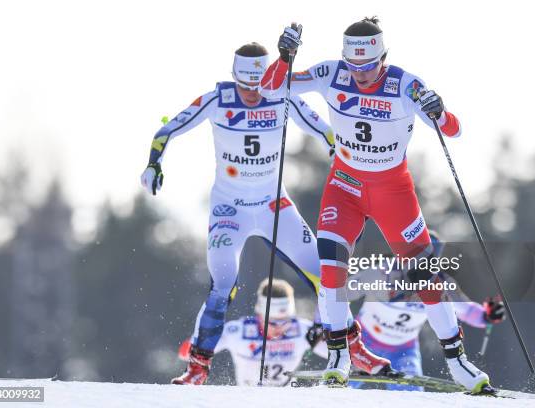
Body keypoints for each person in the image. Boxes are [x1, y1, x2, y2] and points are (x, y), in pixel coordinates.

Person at [260, 18, 494, 393]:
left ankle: (458, 362)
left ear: (383, 58)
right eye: (353, 67)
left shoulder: (405, 84)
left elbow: (452, 130)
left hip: (392, 192)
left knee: (423, 275)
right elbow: (272, 89)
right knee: (332, 269)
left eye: (368, 67)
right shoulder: (330, 73)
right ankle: (339, 355)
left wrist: (439, 110)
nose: (360, 75)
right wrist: (284, 57)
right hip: (346, 186)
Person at [141, 41, 385, 385]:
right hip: (230, 210)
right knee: (223, 286)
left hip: (275, 207)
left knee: (327, 273)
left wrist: (339, 152)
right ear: (234, 78)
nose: (253, 94)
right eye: (245, 86)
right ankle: (197, 368)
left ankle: (352, 348)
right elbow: (167, 130)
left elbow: (325, 131)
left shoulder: (281, 96)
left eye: (258, 85)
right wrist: (154, 164)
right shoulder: (217, 100)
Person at [347, 232, 506, 390]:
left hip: (402, 350)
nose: (422, 270)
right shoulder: (379, 273)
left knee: (412, 396)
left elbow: (466, 310)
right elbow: (340, 293)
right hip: (364, 343)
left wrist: (487, 316)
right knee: (346, 388)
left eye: (429, 264)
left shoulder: (440, 282)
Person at [178, 279, 328, 386]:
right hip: (248, 401)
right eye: (273, 322)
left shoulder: (303, 330)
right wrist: (196, 341)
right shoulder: (237, 331)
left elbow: (335, 354)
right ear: (260, 314)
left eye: (286, 321)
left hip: (286, 401)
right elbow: (185, 354)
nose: (280, 328)